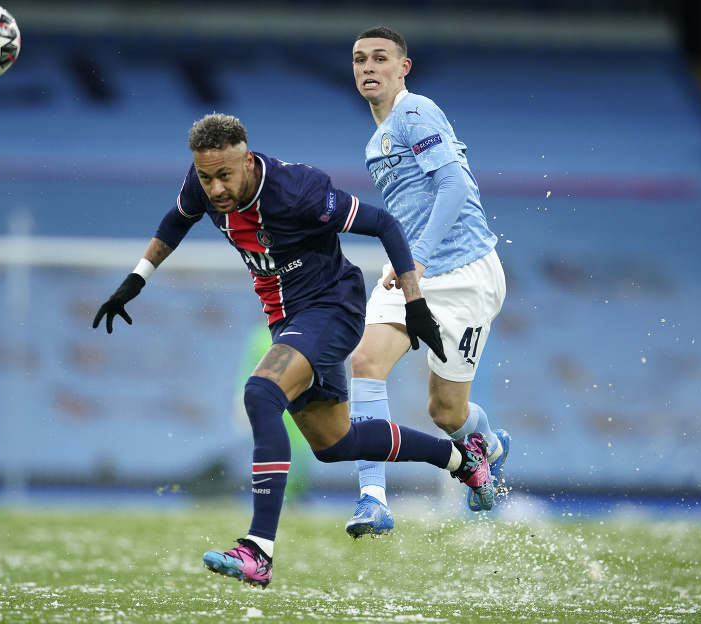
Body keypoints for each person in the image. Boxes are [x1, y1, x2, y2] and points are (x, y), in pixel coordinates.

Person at [92, 113, 494, 588]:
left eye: (225, 175)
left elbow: (383, 223)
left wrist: (415, 302)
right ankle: (462, 460)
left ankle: (257, 550)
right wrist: (135, 280)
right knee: (334, 443)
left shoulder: (298, 190)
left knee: (262, 393)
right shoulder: (202, 182)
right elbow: (176, 220)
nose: (216, 189)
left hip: (332, 308)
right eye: (206, 177)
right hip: (289, 321)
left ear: (247, 159)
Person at [344, 26, 511, 539]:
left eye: (379, 59)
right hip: (414, 272)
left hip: (463, 275)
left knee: (445, 411)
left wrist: (414, 257)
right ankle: (373, 498)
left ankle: (490, 446)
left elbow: (457, 186)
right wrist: (405, 259)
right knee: (366, 361)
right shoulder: (377, 138)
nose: (368, 67)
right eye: (359, 60)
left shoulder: (415, 111)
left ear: (403, 68)